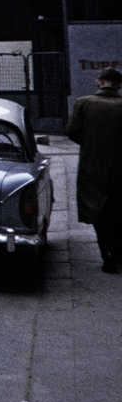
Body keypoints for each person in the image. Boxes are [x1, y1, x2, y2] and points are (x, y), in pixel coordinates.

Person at [67, 68, 122, 274]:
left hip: (92, 166)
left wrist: (91, 144)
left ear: (98, 83)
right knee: (118, 211)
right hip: (119, 169)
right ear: (119, 85)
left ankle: (105, 254)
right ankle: (118, 253)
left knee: (98, 213)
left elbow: (72, 131)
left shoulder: (84, 103)